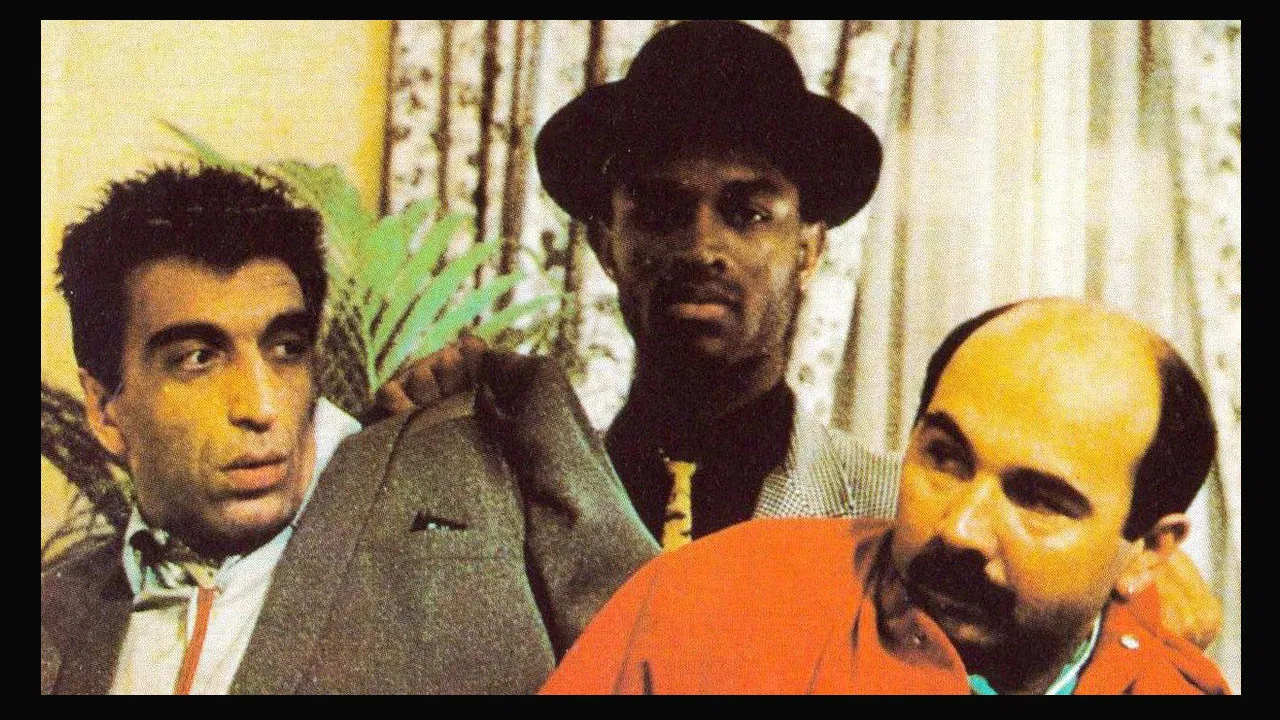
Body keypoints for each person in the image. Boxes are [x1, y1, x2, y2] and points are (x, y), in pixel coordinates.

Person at [386, 19, 1220, 647]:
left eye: (748, 213)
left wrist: (1122, 586)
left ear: (809, 249)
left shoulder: (911, 523)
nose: (703, 247)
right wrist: (406, 453)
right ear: (608, 244)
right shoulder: (511, 499)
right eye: (662, 209)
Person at [40, 165, 657, 694]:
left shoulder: (472, 487)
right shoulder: (56, 620)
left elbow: (665, 658)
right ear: (104, 408)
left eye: (286, 348)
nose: (261, 406)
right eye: (198, 359)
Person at [540, 298, 1230, 694]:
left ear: (1149, 550)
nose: (960, 528)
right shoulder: (707, 606)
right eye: (945, 458)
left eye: (1039, 500)